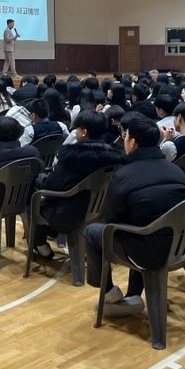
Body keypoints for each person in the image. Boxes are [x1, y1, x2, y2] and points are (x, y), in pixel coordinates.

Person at [84, 115, 185, 317]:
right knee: (143, 224)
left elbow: (110, 221)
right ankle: (134, 295)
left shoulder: (124, 176)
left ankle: (108, 292)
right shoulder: (177, 170)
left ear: (132, 142)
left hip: (145, 251)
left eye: (125, 137)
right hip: (180, 247)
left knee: (93, 232)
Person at [32, 110, 124, 258]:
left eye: (78, 128)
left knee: (35, 201)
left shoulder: (72, 157)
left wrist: (39, 178)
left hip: (69, 213)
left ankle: (41, 245)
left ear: (84, 132)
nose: (75, 131)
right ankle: (51, 234)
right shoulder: (115, 155)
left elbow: (52, 185)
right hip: (102, 211)